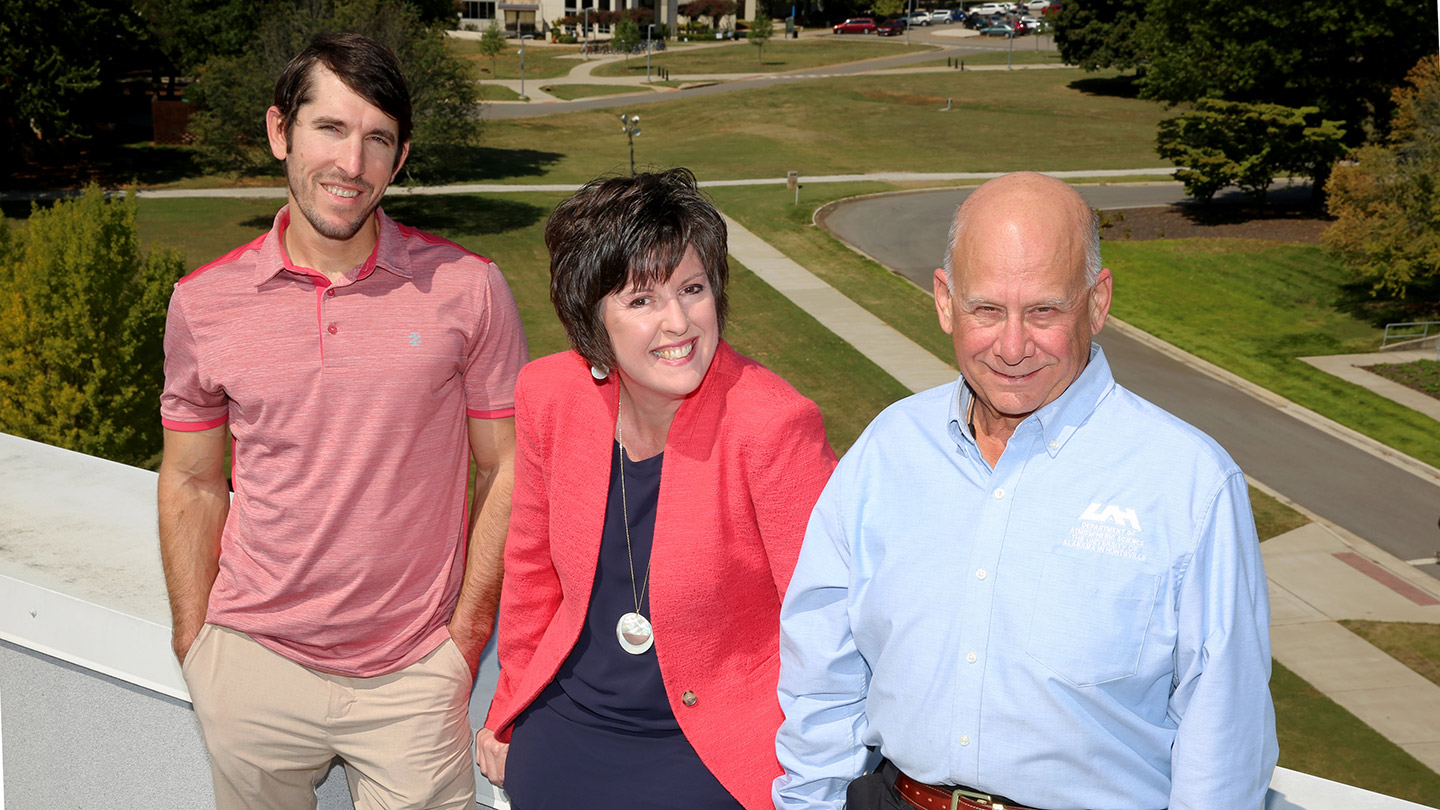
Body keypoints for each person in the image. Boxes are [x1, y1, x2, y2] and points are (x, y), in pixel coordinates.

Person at [774, 172, 1277, 810]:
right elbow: (824, 673)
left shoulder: (1189, 486)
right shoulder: (888, 450)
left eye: (1044, 310)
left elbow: (1224, 743)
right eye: (986, 309)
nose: (1012, 347)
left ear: (1097, 302)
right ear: (944, 301)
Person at [157, 32, 527, 809]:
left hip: (413, 679)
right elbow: (192, 481)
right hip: (252, 669)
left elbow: (508, 468)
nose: (350, 166)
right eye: (329, 128)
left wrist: (462, 644)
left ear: (400, 157)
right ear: (278, 131)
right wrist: (197, 645)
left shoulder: (470, 288)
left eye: (377, 140)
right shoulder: (203, 304)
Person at [475, 169, 837, 810]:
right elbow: (531, 572)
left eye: (692, 289)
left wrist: (813, 779)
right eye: (641, 300)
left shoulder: (773, 424)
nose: (679, 322)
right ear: (592, 317)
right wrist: (507, 709)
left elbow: (828, 625)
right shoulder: (549, 395)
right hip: (565, 725)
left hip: (709, 749)